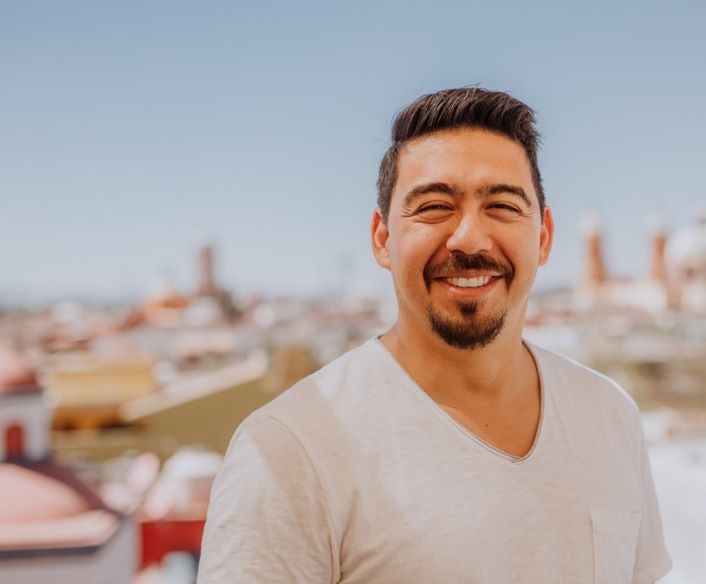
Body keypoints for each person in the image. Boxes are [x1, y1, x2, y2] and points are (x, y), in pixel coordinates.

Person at [198, 87, 672, 583]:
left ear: (544, 236)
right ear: (383, 239)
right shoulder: (289, 449)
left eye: (502, 206)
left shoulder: (609, 415)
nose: (469, 238)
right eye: (433, 207)